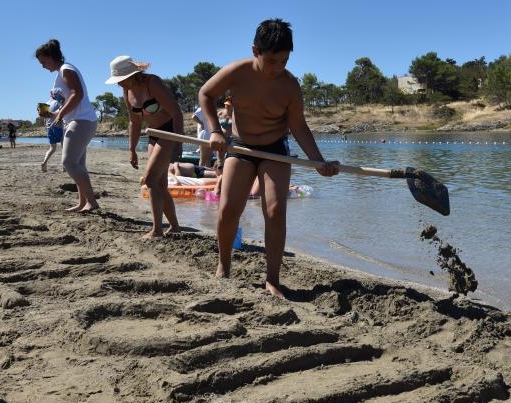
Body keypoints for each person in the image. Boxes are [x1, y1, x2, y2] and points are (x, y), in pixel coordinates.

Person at [199, 18, 339, 298]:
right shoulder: (236, 72)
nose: (279, 68)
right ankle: (223, 266)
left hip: (275, 150)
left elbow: (298, 126)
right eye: (273, 61)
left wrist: (318, 161)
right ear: (256, 51)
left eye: (285, 61)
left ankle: (272, 279)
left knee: (275, 211)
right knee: (228, 209)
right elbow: (206, 93)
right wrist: (215, 131)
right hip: (240, 148)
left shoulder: (289, 85)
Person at [106, 55, 183, 238]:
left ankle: (157, 230)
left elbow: (176, 112)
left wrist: (178, 144)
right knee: (160, 184)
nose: (119, 84)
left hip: (169, 131)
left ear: (132, 75)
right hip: (154, 134)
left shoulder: (152, 83)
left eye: (121, 80)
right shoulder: (127, 91)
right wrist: (131, 149)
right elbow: (134, 121)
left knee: (150, 179)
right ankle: (175, 227)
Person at [36, 39, 99, 212]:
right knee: (78, 164)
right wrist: (52, 114)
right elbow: (68, 101)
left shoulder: (66, 69)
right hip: (76, 120)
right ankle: (82, 202)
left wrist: (61, 114)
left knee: (69, 163)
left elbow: (77, 94)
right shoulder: (61, 72)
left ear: (52, 57)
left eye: (43, 62)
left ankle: (92, 202)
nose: (42, 66)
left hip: (82, 121)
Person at [41, 88, 65, 172]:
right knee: (63, 147)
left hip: (48, 128)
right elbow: (61, 114)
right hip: (58, 127)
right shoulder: (58, 103)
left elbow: (44, 118)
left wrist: (46, 128)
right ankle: (64, 167)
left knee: (52, 148)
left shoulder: (45, 104)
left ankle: (45, 162)